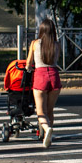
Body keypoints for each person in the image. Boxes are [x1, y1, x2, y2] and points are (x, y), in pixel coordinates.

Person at [27, 18, 62, 148]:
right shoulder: (57, 44)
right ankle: (49, 136)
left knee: (41, 112)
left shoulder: (34, 43)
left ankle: (47, 129)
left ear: (41, 30)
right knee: (50, 110)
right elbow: (56, 59)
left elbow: (28, 63)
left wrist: (29, 68)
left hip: (40, 77)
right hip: (54, 76)